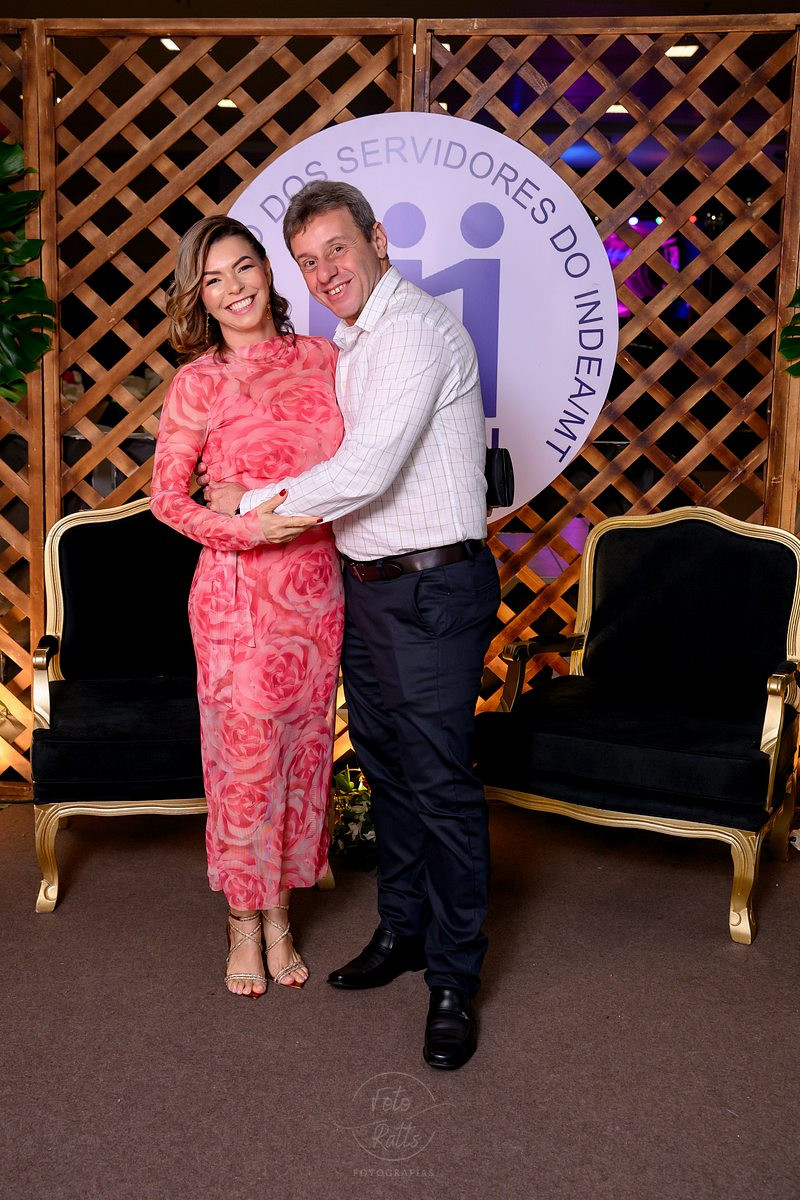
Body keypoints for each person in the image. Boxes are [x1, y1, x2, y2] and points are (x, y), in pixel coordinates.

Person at [204, 181, 500, 1068]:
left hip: (431, 589)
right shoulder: (353, 340)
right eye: (308, 260)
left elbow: (365, 470)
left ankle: (454, 977)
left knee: (439, 785)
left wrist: (247, 501)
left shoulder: (410, 331)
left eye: (337, 248)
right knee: (390, 774)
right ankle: (403, 931)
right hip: (368, 589)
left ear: (377, 240)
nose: (325, 270)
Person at [150, 215, 344, 998]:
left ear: (267, 268)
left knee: (302, 755)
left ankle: (281, 915)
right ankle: (241, 919)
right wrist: (244, 525)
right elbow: (167, 499)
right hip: (236, 595)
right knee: (244, 763)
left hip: (317, 590)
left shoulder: (327, 360)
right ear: (199, 297)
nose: (233, 288)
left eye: (242, 268)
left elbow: (363, 464)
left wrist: (260, 494)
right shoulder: (199, 381)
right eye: (213, 279)